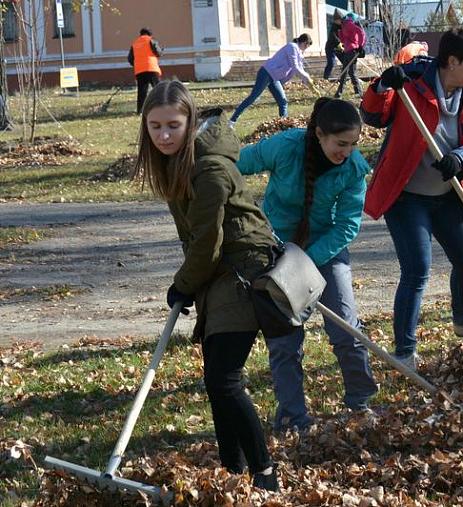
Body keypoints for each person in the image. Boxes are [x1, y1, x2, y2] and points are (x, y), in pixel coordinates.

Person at [134, 80, 279, 489]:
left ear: (190, 121)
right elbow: (200, 243)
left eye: (173, 126)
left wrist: (182, 284)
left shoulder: (210, 168)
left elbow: (207, 243)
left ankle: (264, 474)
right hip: (218, 275)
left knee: (224, 379)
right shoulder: (177, 162)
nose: (164, 135)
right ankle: (232, 474)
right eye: (156, 126)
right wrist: (192, 283)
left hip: (243, 272)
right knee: (216, 381)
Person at [237, 97, 378, 431]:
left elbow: (347, 226)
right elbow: (238, 163)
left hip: (325, 252)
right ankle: (292, 417)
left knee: (345, 328)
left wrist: (304, 264)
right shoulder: (286, 147)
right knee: (285, 341)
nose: (347, 151)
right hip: (275, 250)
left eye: (354, 144)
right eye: (341, 143)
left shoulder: (354, 169)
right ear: (318, 134)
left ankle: (360, 403)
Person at [360, 28, 463, 370]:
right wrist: (381, 85)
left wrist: (462, 160)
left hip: (448, 195)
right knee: (417, 269)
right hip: (406, 197)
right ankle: (404, 351)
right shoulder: (412, 81)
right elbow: (373, 115)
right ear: (452, 61)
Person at [230, 34, 314, 123]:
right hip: (266, 73)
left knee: (283, 102)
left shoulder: (299, 53)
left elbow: (300, 68)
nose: (306, 49)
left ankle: (284, 125)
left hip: (275, 78)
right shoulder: (292, 47)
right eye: (307, 46)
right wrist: (307, 78)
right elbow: (295, 67)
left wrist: (309, 83)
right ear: (305, 43)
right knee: (253, 97)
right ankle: (232, 120)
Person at [128, 28, 163, 114]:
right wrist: (161, 51)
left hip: (140, 71)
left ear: (141, 34)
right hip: (151, 68)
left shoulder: (134, 44)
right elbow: (158, 53)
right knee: (159, 89)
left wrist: (137, 64)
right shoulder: (151, 40)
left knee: (142, 92)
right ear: (149, 34)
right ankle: (163, 107)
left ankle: (140, 111)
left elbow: (130, 59)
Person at [334, 14, 366, 98]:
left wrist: (360, 45)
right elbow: (343, 40)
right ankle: (356, 92)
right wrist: (339, 32)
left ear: (339, 19)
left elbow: (361, 32)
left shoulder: (349, 24)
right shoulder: (343, 25)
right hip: (347, 50)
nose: (335, 22)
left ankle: (356, 92)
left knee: (349, 72)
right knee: (347, 72)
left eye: (335, 20)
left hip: (353, 50)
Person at [323, 10, 344, 79]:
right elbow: (333, 36)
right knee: (331, 63)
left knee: (345, 61)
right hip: (330, 48)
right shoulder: (333, 27)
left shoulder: (342, 26)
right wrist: (338, 43)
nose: (340, 21)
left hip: (338, 48)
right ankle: (326, 77)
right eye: (339, 20)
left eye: (341, 20)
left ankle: (343, 77)